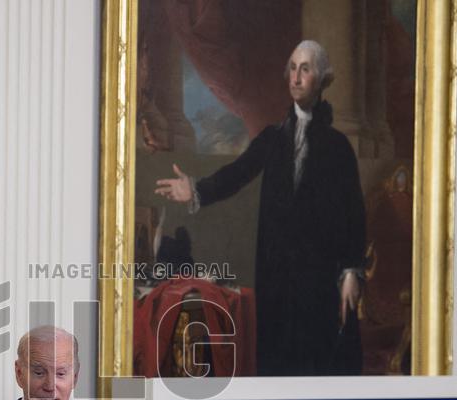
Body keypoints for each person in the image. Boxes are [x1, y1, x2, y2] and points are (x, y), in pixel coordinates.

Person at [155, 40, 366, 376]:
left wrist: (352, 272)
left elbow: (354, 214)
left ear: (322, 79)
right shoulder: (273, 138)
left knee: (321, 365)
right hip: (278, 277)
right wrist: (194, 189)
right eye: (293, 69)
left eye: (306, 69)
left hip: (321, 278)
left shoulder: (338, 148)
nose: (296, 77)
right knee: (279, 364)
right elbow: (236, 174)